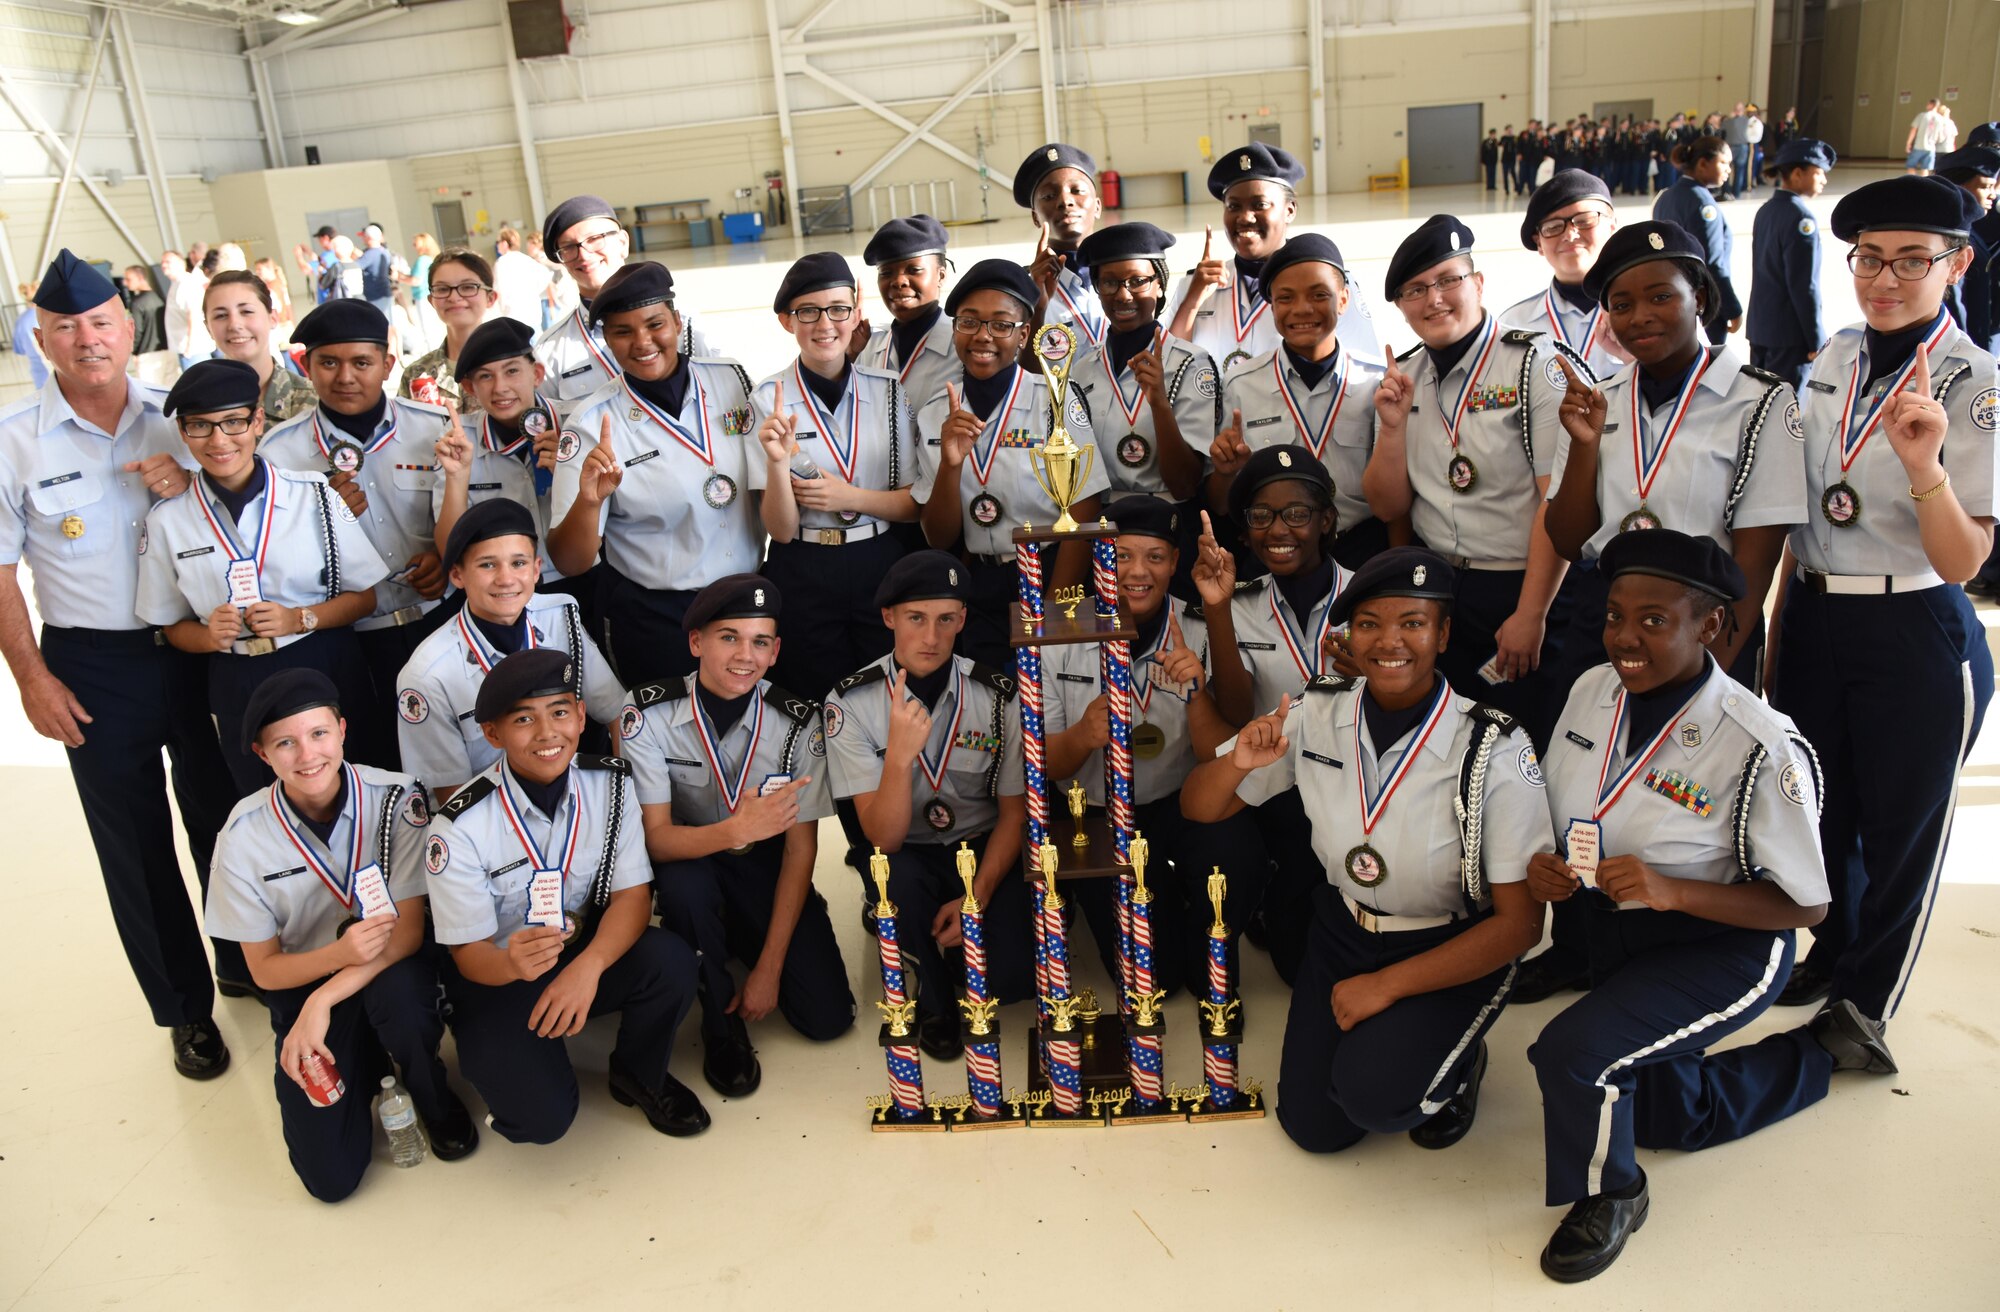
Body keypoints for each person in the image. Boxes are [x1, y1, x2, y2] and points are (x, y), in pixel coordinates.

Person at [1526, 529, 1842, 1282]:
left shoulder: (1757, 743)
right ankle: (1816, 1052)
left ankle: (1616, 1192)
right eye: (1613, 616)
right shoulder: (1591, 690)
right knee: (1673, 1117)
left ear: (1711, 626)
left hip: (1720, 948)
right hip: (1616, 934)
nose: (1624, 639)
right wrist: (1545, 866)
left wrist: (1674, 890)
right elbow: (1563, 802)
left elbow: (1805, 908)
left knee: (1573, 1056)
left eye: (1653, 621)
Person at [1185, 547, 1548, 1155]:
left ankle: (1461, 1067)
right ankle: (1407, 1042)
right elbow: (1200, 807)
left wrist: (1388, 987)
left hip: (1445, 938)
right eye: (1370, 624)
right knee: (1314, 1129)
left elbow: (1521, 926)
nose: (1390, 642)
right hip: (1342, 932)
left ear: (1443, 633)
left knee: (1377, 1099)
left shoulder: (1493, 746)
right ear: (1349, 634)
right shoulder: (1318, 712)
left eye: (1412, 623)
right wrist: (1240, 762)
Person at [1764, 176, 1997, 1044]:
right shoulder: (1836, 355)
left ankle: (1866, 1007)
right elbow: (1805, 514)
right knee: (1827, 806)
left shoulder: (1976, 387)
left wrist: (1925, 464)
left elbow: (1964, 559)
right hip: (1821, 616)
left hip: (1914, 627)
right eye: (1868, 259)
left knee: (1902, 827)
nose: (1883, 279)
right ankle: (1832, 953)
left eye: (1911, 261)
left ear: (1958, 263)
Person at [0, 251, 244, 1075]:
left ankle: (246, 958)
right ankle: (184, 1009)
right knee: (134, 844)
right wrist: (31, 676)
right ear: (41, 338)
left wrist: (195, 478)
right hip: (92, 662)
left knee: (222, 812)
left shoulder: (174, 419)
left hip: (191, 646)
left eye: (100, 322)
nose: (86, 340)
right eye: (66, 327)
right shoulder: (15, 445)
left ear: (125, 327)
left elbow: (242, 489)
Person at [206, 669, 477, 1201]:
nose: (307, 755)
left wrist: (327, 995)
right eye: (285, 743)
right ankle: (365, 1063)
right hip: (303, 984)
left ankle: (430, 1092)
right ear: (262, 755)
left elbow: (405, 935)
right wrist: (325, 975)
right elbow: (263, 969)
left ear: (343, 729)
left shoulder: (398, 799)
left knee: (401, 997)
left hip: (382, 972)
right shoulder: (241, 838)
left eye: (318, 734)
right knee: (330, 1180)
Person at [425, 648, 707, 1140]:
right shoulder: (458, 827)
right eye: (523, 720)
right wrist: (512, 965)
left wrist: (588, 967)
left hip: (578, 951)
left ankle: (638, 1073)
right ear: (492, 734)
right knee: (543, 1123)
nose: (546, 733)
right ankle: (502, 1056)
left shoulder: (611, 785)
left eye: (559, 712)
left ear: (580, 716)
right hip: (499, 973)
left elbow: (633, 897)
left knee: (672, 962)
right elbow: (467, 955)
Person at [621, 574, 854, 1096]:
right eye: (728, 637)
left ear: (775, 653)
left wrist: (770, 968)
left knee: (828, 1019)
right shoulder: (648, 716)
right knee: (685, 891)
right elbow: (656, 839)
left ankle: (742, 940)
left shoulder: (798, 724)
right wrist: (735, 829)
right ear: (696, 642)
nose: (743, 655)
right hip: (689, 858)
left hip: (763, 866)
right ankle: (721, 1025)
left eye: (759, 642)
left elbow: (800, 849)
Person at [1361, 215, 1580, 743]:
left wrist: (1531, 613)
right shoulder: (1402, 380)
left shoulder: (1534, 365)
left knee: (1526, 738)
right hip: (1439, 590)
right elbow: (1390, 507)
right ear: (1400, 306)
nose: (1433, 299)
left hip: (1521, 585)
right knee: (1451, 742)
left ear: (1478, 284)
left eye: (1448, 280)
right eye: (1415, 290)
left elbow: (1558, 500)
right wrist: (1391, 430)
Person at [136, 360, 388, 791]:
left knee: (356, 788)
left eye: (233, 422)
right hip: (238, 676)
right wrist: (208, 636)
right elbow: (170, 625)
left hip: (319, 657)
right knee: (262, 798)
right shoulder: (167, 521)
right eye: (200, 426)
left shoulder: (314, 494)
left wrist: (300, 618)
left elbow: (367, 598)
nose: (219, 440)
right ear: (183, 432)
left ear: (257, 421)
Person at [1041, 498, 1258, 990]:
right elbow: (1047, 767)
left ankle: (1214, 958)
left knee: (1237, 850)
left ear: (1175, 563)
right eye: (1121, 556)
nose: (1138, 572)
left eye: (1155, 557)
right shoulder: (1058, 635)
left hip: (1180, 806)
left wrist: (1197, 695)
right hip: (1096, 818)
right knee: (1150, 982)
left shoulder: (1200, 627)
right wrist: (1080, 737)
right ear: (1100, 559)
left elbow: (1219, 751)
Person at [822, 551, 1031, 1057]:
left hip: (979, 848)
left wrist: (976, 898)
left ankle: (954, 941)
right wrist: (897, 758)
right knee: (896, 876)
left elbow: (1013, 815)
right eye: (916, 619)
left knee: (1015, 979)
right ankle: (934, 998)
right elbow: (883, 838)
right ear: (889, 617)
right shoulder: (849, 704)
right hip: (906, 850)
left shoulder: (999, 696)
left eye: (945, 620)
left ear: (962, 621)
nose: (931, 638)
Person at [547, 261, 762, 687]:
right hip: (659, 619)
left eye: (655, 324)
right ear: (606, 339)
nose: (642, 342)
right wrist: (589, 502)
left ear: (678, 322)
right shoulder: (592, 423)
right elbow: (569, 561)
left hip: (750, 604)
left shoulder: (732, 380)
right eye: (622, 331)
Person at [261, 298, 454, 764]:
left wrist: (448, 559)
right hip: (350, 638)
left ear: (388, 364)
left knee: (454, 749)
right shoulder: (279, 454)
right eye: (328, 362)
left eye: (362, 362)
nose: (345, 377)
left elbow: (467, 516)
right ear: (306, 365)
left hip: (438, 620)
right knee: (373, 759)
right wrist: (321, 520)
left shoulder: (435, 428)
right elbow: (274, 559)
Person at [1195, 445, 1358, 981]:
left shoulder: (1369, 597)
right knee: (1296, 965)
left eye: (1296, 514)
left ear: (1326, 520)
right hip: (1283, 792)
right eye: (1261, 516)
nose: (1278, 530)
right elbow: (1238, 709)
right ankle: (1274, 898)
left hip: (1364, 786)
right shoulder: (1238, 604)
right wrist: (1217, 610)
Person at [912, 258, 1106, 669]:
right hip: (979, 584)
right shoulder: (934, 414)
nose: (983, 336)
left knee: (1053, 712)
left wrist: (1054, 607)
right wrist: (950, 464)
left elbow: (1085, 505)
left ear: (1023, 336)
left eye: (1001, 324)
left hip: (1051, 573)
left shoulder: (1054, 399)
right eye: (969, 322)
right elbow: (938, 536)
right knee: (995, 710)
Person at [749, 251, 918, 701]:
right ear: (788, 321)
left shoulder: (889, 391)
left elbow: (910, 502)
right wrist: (776, 463)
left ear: (856, 314)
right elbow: (780, 531)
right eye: (808, 311)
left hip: (878, 559)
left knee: (885, 695)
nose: (825, 324)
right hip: (804, 566)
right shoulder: (768, 399)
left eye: (838, 309)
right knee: (812, 697)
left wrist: (849, 497)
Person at [395, 499, 625, 799]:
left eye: (518, 563)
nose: (505, 579)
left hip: (577, 799)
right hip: (489, 820)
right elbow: (450, 795)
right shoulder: (427, 675)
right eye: (487, 565)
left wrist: (625, 797)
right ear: (457, 575)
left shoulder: (561, 620)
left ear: (536, 569)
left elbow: (618, 715)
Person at [1213, 234, 1388, 569]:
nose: (1302, 309)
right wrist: (1226, 473)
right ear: (1273, 307)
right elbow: (1221, 502)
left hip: (1359, 550)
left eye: (1319, 295)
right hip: (1275, 554)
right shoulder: (1242, 384)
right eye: (1285, 298)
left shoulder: (1375, 383)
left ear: (1343, 299)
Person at [1167, 143, 1378, 379]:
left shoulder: (1329, 284)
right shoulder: (1194, 286)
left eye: (1260, 205)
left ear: (1289, 210)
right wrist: (1192, 301)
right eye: (1233, 206)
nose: (1245, 217)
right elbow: (1170, 369)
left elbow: (1364, 373)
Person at [1066, 222, 1219, 505]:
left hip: (1167, 520)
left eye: (1138, 281)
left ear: (1159, 285)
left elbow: (1185, 484)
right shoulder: (1082, 368)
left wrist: (1160, 403)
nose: (1123, 295)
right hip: (1104, 520)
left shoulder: (1191, 364)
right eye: (1109, 282)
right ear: (1097, 289)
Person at [537, 196, 714, 409]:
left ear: (623, 242)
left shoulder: (687, 327)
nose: (583, 255)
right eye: (569, 247)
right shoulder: (551, 352)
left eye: (595, 239)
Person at [429, 317, 560, 563]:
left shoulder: (574, 424)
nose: (500, 387)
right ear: (470, 387)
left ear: (537, 374)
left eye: (512, 371)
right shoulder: (459, 440)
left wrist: (570, 474)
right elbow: (450, 551)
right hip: (502, 587)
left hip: (578, 575)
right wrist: (458, 477)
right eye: (486, 376)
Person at [1498, 171, 1629, 382]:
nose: (1570, 234)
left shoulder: (1651, 310)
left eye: (1585, 221)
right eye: (1553, 227)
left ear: (1612, 227)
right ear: (1539, 243)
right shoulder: (1513, 325)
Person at [1749, 139, 1837, 394]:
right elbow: (1803, 285)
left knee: (1760, 402)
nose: (1823, 180)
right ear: (1798, 174)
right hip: (1788, 335)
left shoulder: (1766, 210)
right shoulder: (1801, 219)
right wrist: (1815, 338)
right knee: (1785, 408)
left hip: (1761, 327)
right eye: (1818, 173)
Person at [859, 214, 960, 415]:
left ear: (941, 275)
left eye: (914, 270)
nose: (899, 281)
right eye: (886, 273)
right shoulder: (869, 349)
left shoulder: (962, 346)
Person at [1654, 137, 1744, 344]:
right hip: (1703, 300)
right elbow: (1711, 263)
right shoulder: (1703, 204)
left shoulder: (1666, 196)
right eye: (1723, 163)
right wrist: (1731, 307)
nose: (1728, 169)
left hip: (1670, 295)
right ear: (1703, 163)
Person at [1017, 142, 1108, 348]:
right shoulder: (1022, 291)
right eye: (1049, 196)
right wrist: (1036, 305)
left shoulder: (1128, 278)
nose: (1065, 201)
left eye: (1077, 190)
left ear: (1097, 206)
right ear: (1035, 217)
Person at [205, 270, 317, 426]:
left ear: (273, 318)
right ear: (208, 328)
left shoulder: (313, 402)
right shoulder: (200, 405)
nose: (234, 325)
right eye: (221, 315)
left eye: (246, 311)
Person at [398, 248, 498, 409]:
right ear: (432, 301)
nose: (454, 297)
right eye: (442, 289)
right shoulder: (416, 374)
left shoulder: (512, 367)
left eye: (468, 287)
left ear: (490, 297)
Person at [1933, 144, 2000, 352]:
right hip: (1959, 344)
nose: (1993, 195)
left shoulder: (1971, 229)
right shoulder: (1951, 238)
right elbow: (1954, 305)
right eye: (1985, 187)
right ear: (1959, 187)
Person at [491, 227, 552, 331]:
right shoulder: (527, 259)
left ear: (505, 243)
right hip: (533, 316)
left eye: (498, 242)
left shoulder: (501, 263)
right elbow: (545, 276)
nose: (497, 245)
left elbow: (499, 290)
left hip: (514, 318)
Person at [122, 266, 174, 385]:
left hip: (147, 355)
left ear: (140, 277)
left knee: (151, 394)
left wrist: (133, 350)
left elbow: (137, 330)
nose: (125, 282)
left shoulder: (137, 303)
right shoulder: (161, 297)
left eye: (128, 279)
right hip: (169, 350)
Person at [171, 249, 216, 371]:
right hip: (190, 345)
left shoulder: (188, 282)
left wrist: (190, 345)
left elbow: (193, 314)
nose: (164, 266)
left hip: (194, 348)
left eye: (168, 262)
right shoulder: (179, 283)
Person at [355, 224, 395, 318]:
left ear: (368, 237)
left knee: (381, 324)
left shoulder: (370, 253)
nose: (362, 239)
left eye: (364, 236)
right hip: (385, 293)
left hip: (376, 295)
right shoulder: (384, 251)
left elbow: (355, 266)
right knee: (388, 324)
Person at [294, 225, 339, 304]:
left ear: (325, 238)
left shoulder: (327, 256)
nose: (319, 241)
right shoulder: (337, 254)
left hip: (328, 299)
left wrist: (298, 255)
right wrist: (309, 252)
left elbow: (306, 269)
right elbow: (319, 261)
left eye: (319, 238)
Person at [1905, 97, 1945, 174]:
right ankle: (1923, 184)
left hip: (1919, 146)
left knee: (1911, 166)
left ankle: (1911, 183)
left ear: (1932, 105)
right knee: (1925, 168)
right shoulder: (1940, 119)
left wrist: (1908, 143)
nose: (1927, 105)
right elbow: (1940, 138)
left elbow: (1913, 130)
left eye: (1928, 104)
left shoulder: (1922, 115)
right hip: (1931, 148)